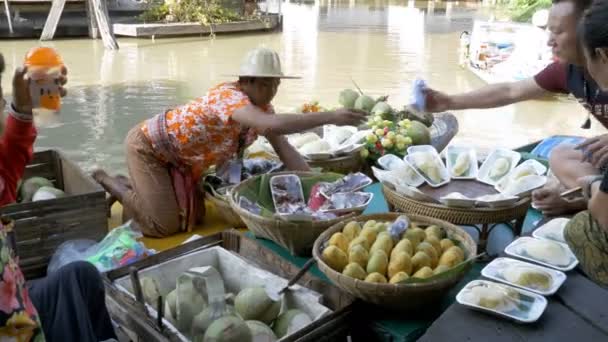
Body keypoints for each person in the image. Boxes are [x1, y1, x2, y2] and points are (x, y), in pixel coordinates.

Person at [92, 47, 367, 238]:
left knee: (195, 218)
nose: (272, 91)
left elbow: (286, 150)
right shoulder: (227, 95)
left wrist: (322, 189)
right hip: (148, 148)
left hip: (179, 162)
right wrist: (332, 116)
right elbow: (269, 125)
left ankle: (135, 186)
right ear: (245, 81)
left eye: (276, 84)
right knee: (164, 225)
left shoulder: (263, 110)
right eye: (265, 84)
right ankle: (109, 181)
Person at [424, 0, 605, 216]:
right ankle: (590, 198)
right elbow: (510, 91)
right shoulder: (567, 70)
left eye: (557, 32)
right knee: (561, 155)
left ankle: (594, 201)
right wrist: (448, 102)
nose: (549, 41)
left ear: (587, 29)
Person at [0, 53, 117, 341]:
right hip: (13, 325)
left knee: (80, 276)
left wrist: (23, 110)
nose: (1, 102)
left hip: (16, 302)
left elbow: (6, 177)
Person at [563, 0, 608, 287]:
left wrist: (590, 186)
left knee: (580, 228)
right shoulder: (564, 73)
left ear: (602, 55)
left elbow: (603, 215)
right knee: (563, 155)